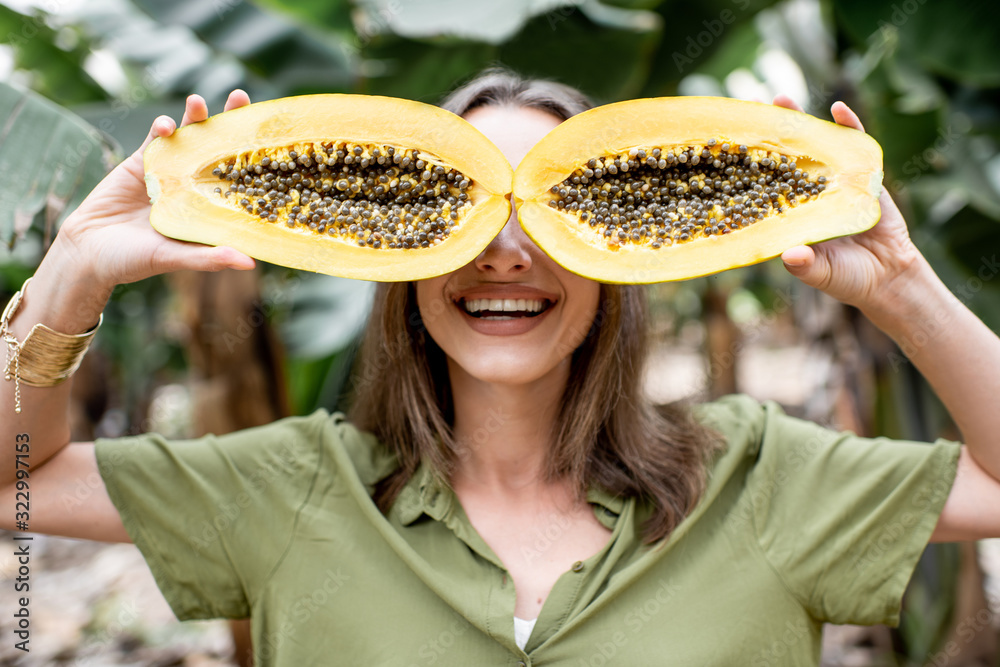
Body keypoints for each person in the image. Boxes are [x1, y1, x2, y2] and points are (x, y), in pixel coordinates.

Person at [2, 69, 999, 665]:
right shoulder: (290, 485)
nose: (505, 253)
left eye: (546, 213)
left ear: (620, 261)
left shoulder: (761, 476)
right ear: (397, 259)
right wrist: (77, 268)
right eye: (462, 210)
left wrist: (899, 283)